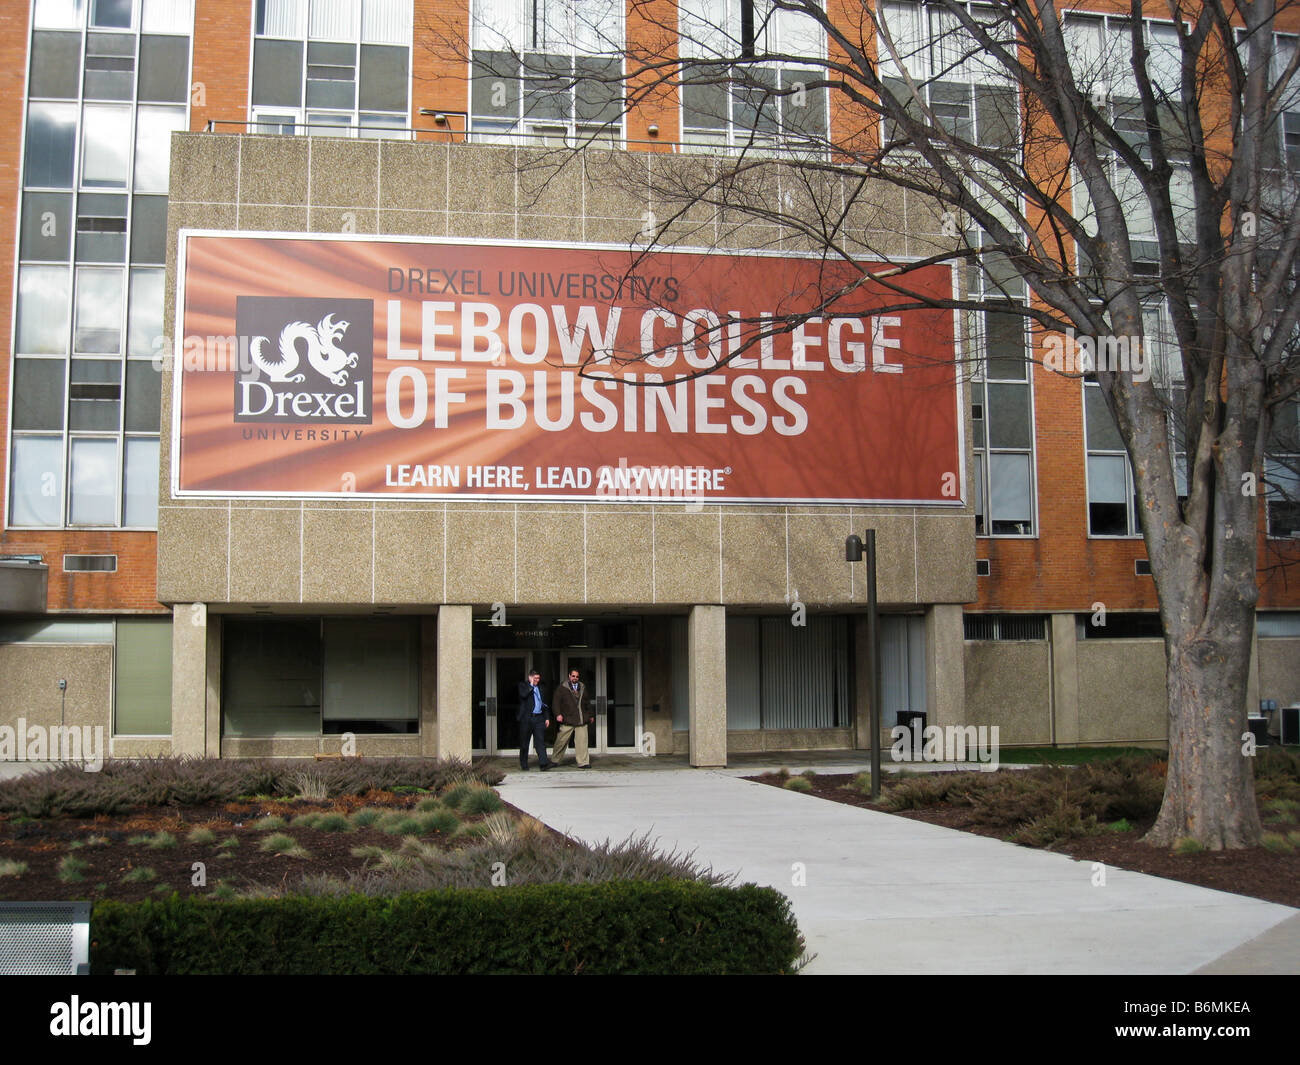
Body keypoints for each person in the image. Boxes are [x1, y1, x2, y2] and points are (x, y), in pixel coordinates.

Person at [552, 668, 591, 768]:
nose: (575, 678)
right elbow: (556, 702)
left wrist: (590, 715)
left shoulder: (582, 687)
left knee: (582, 742)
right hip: (567, 719)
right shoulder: (562, 688)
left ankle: (583, 762)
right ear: (569, 676)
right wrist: (558, 714)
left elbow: (587, 702)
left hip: (581, 719)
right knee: (561, 741)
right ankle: (555, 760)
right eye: (573, 676)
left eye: (577, 676)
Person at [516, 669, 551, 771]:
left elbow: (544, 704)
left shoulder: (541, 688)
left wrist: (547, 717)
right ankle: (524, 763)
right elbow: (523, 695)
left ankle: (543, 763)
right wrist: (531, 685)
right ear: (530, 677)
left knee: (540, 741)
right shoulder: (523, 686)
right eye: (535, 678)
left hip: (539, 718)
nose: (537, 680)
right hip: (527, 718)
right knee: (524, 743)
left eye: (538, 678)